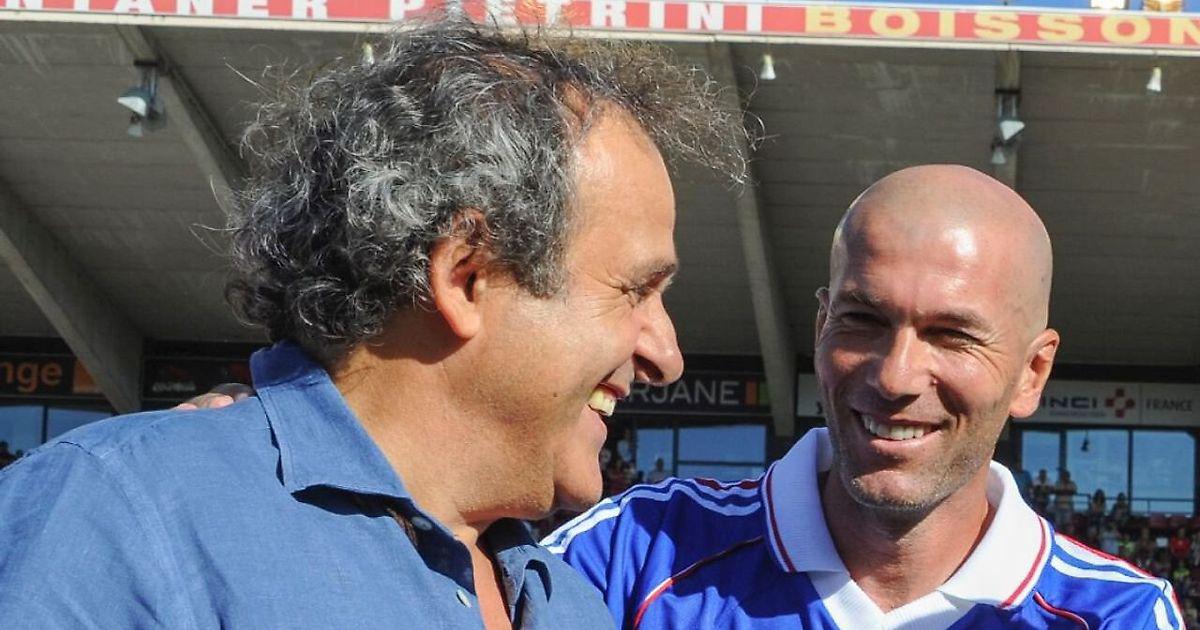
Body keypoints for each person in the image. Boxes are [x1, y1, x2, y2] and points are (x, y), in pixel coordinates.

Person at [0, 20, 744, 627]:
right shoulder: (121, 516)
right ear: (466, 278)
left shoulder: (570, 603)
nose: (666, 355)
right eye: (635, 290)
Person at [544, 165, 1185, 628]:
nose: (895, 376)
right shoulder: (629, 555)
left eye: (952, 336)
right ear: (821, 326)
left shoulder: (1117, 615)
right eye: (863, 320)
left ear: (1032, 373)